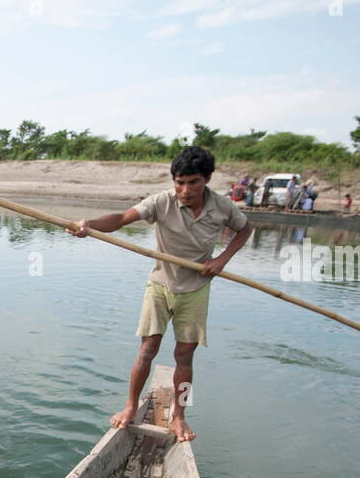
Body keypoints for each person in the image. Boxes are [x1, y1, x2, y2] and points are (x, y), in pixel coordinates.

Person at [68, 145, 250, 443]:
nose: (185, 189)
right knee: (147, 349)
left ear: (206, 180)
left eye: (192, 182)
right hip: (160, 285)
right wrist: (89, 225)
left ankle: (180, 416)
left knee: (184, 356)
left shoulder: (222, 207)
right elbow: (122, 218)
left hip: (195, 289)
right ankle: (130, 406)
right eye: (179, 182)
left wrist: (221, 260)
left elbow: (244, 230)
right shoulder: (162, 202)